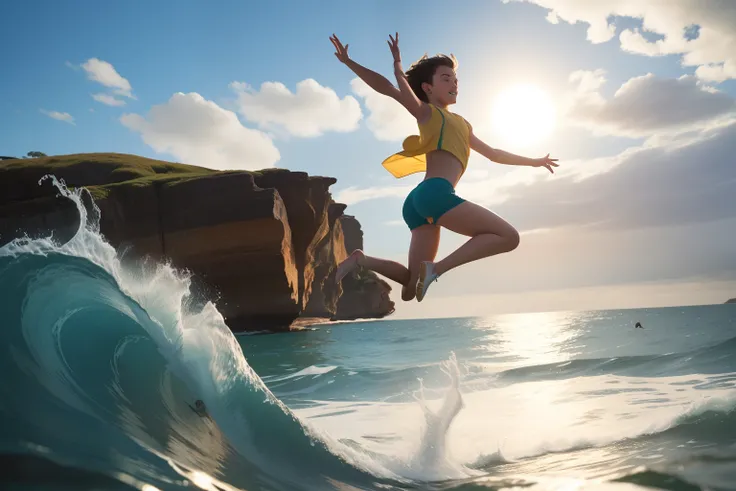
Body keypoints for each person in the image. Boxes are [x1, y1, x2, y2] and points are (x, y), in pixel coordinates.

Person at [330, 33, 558, 302]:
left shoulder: (462, 124)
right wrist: (365, 65)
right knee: (509, 237)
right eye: (446, 79)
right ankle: (436, 269)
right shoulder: (427, 112)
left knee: (408, 289)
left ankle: (361, 260)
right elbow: (390, 89)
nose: (454, 84)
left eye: (456, 80)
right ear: (427, 87)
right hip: (435, 194)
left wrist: (534, 161)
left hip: (417, 202)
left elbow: (494, 154)